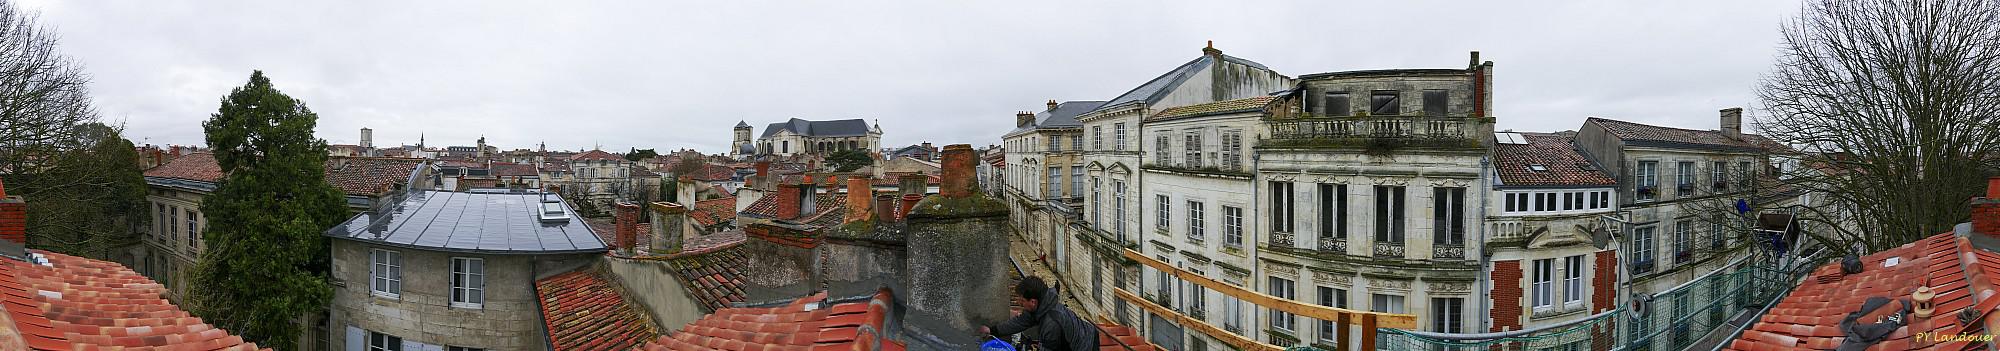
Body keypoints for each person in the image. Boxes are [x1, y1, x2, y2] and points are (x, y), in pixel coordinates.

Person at [981, 276, 1098, 351]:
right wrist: (992, 330)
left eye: (1022, 301)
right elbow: (1020, 322)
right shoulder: (1042, 303)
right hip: (1079, 335)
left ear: (1032, 302)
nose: (1019, 304)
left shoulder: (1051, 323)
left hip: (1086, 345)